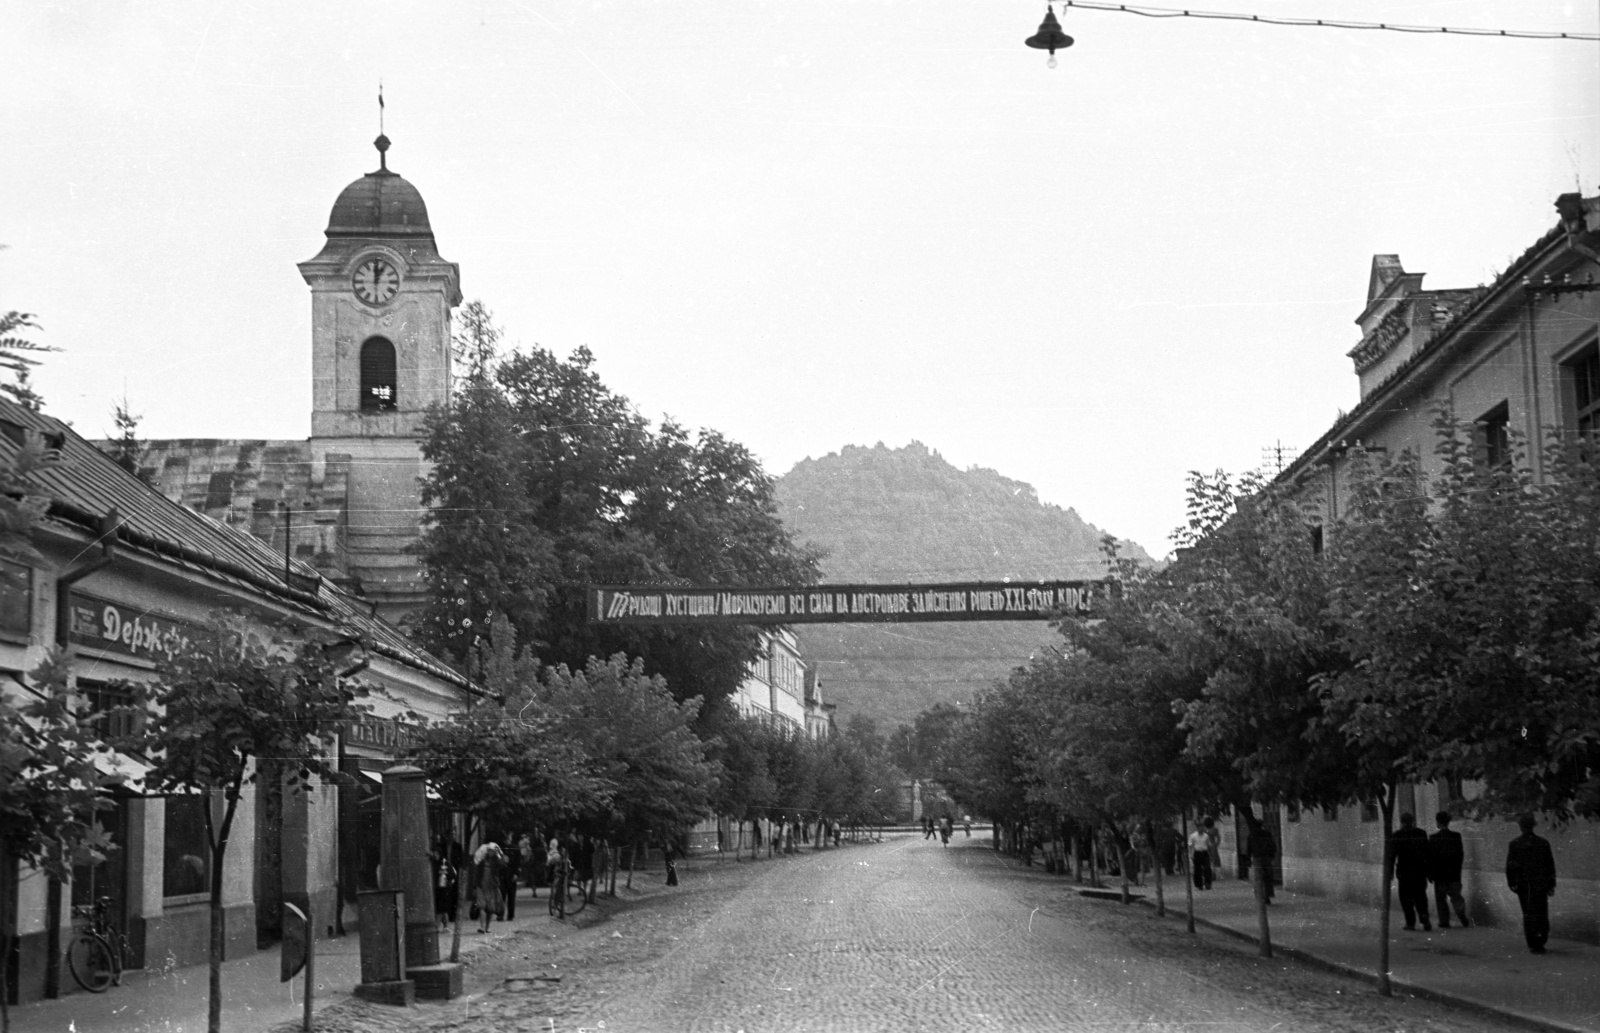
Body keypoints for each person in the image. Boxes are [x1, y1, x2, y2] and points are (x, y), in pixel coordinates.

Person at [1505, 813, 1556, 954]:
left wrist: (1512, 884)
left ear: (1521, 827)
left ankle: (1533, 942)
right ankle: (1541, 940)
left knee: (1528, 913)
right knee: (1541, 912)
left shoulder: (1515, 844)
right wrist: (1551, 884)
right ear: (1533, 826)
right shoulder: (1543, 842)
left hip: (1524, 886)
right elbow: (1550, 865)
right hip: (1541, 885)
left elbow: (1510, 866)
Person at [1390, 811, 1431, 930]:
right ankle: (1424, 915)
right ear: (1413, 821)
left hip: (1404, 871)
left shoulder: (1397, 835)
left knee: (1405, 898)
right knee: (1421, 896)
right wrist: (1428, 872)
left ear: (1402, 822)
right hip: (1419, 871)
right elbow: (1427, 854)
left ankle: (1410, 922)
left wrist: (1391, 872)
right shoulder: (1421, 833)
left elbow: (1392, 855)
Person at [1428, 811, 1470, 929]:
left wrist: (1430, 874)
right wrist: (1458, 870)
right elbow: (1460, 854)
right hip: (1454, 874)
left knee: (1441, 899)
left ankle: (1444, 921)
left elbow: (1430, 857)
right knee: (1456, 896)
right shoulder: (1456, 836)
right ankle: (1461, 913)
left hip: (1439, 875)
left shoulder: (1433, 838)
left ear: (1438, 822)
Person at [473, 839, 506, 933]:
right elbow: (477, 874)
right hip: (481, 886)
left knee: (490, 909)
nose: (490, 852)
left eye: (493, 851)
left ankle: (487, 927)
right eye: (490, 850)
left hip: (492, 887)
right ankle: (482, 927)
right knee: (482, 906)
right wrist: (475, 886)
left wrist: (501, 853)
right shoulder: (482, 861)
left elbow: (503, 864)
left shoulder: (497, 862)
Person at [1245, 819, 1277, 903]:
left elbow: (1248, 849)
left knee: (1259, 878)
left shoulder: (1251, 835)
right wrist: (1271, 855)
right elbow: (1272, 845)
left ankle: (1260, 896)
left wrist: (1248, 859)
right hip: (1266, 858)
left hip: (1257, 858)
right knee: (1268, 878)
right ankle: (1267, 896)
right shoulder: (1267, 834)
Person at [499, 833, 523, 921]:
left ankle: (510, 915)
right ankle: (500, 914)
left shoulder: (515, 849)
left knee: (511, 897)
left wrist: (516, 874)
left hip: (512, 874)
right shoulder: (501, 849)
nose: (507, 840)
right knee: (501, 896)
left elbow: (518, 863)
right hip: (503, 874)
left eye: (508, 837)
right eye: (505, 838)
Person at [1188, 822, 1214, 890]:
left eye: (1202, 827)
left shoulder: (1206, 836)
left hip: (1205, 853)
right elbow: (1190, 846)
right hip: (1197, 853)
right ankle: (1199, 884)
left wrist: (1211, 855)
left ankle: (1208, 883)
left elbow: (1209, 845)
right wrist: (1191, 855)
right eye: (1200, 827)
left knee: (1207, 868)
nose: (1202, 829)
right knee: (1197, 870)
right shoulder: (1193, 836)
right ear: (1197, 828)